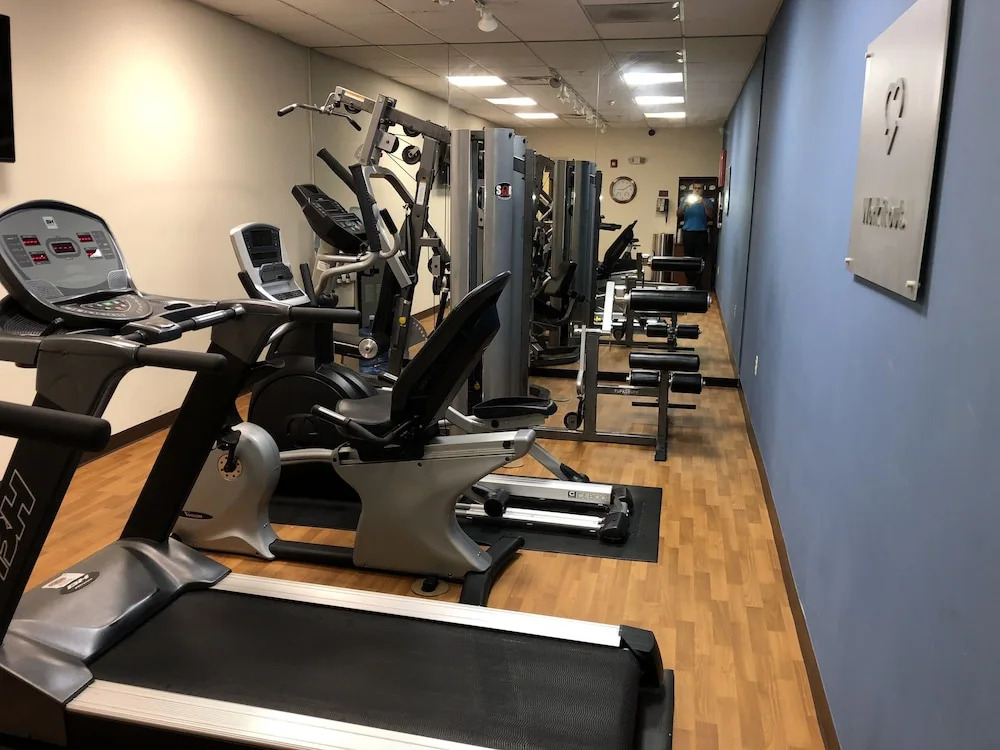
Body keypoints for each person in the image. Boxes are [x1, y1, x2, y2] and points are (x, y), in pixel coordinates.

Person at [676, 183, 714, 288]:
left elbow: (710, 215)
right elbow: (678, 214)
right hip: (688, 233)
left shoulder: (707, 201)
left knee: (700, 259)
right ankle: (689, 282)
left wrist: (703, 203)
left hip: (701, 233)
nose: (697, 190)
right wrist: (684, 205)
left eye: (699, 188)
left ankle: (697, 284)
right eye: (695, 188)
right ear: (692, 190)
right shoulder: (685, 200)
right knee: (688, 258)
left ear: (702, 190)